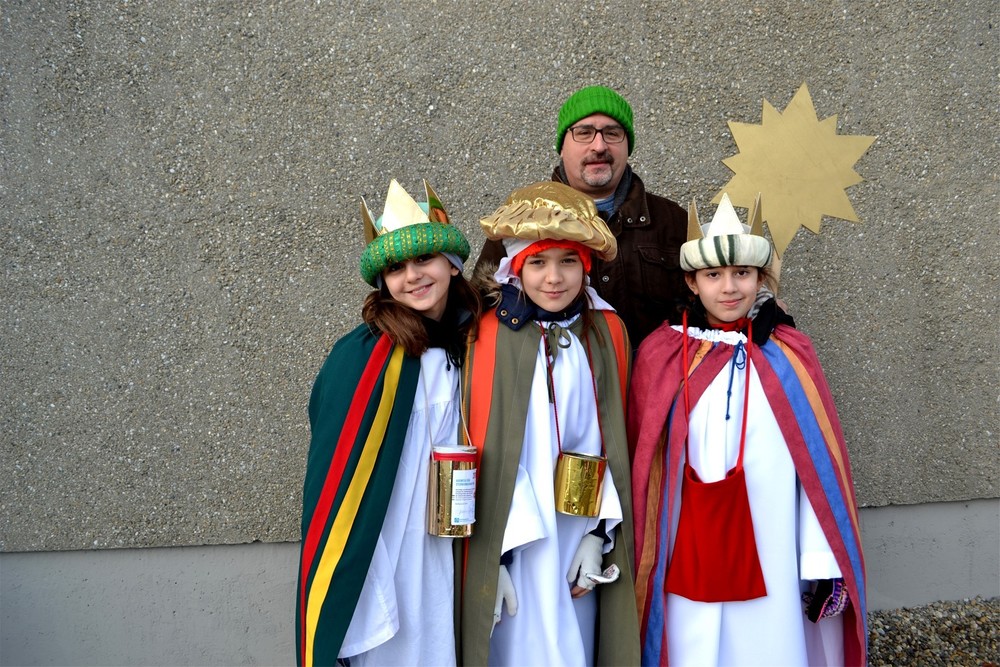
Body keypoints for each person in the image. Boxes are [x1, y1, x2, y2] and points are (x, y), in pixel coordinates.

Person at [629, 193, 867, 666]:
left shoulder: (789, 351)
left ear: (761, 278)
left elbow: (815, 467)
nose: (729, 287)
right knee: (687, 636)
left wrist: (820, 558)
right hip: (683, 536)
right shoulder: (662, 352)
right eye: (713, 275)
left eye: (742, 273)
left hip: (771, 533)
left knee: (768, 638)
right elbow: (644, 458)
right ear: (691, 282)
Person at [296, 180, 482, 667]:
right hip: (388, 549)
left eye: (424, 259)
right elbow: (336, 480)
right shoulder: (362, 358)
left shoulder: (474, 344)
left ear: (452, 263)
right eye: (396, 268)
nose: (412, 276)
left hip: (453, 542)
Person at [458, 181, 641, 666]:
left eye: (568, 261)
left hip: (580, 533)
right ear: (516, 267)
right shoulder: (487, 335)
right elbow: (484, 444)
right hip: (515, 540)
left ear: (587, 266)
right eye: (537, 262)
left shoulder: (606, 331)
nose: (554, 278)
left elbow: (613, 438)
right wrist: (495, 556)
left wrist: (599, 534)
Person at [476, 85, 688, 348]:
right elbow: (482, 315)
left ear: (628, 145)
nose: (599, 146)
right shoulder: (518, 223)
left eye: (612, 133)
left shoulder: (673, 222)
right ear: (561, 147)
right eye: (584, 133)